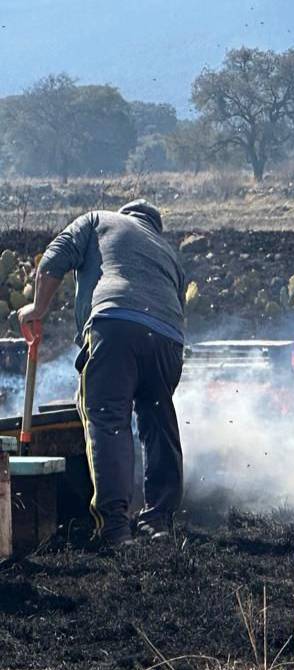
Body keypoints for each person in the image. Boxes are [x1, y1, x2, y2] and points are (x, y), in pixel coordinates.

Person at [17, 200, 187, 548]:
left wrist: (37, 308)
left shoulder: (98, 220)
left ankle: (114, 528)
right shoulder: (166, 251)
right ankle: (158, 522)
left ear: (126, 214)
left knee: (108, 419)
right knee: (158, 421)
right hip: (169, 342)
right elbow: (176, 306)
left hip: (116, 327)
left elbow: (53, 258)